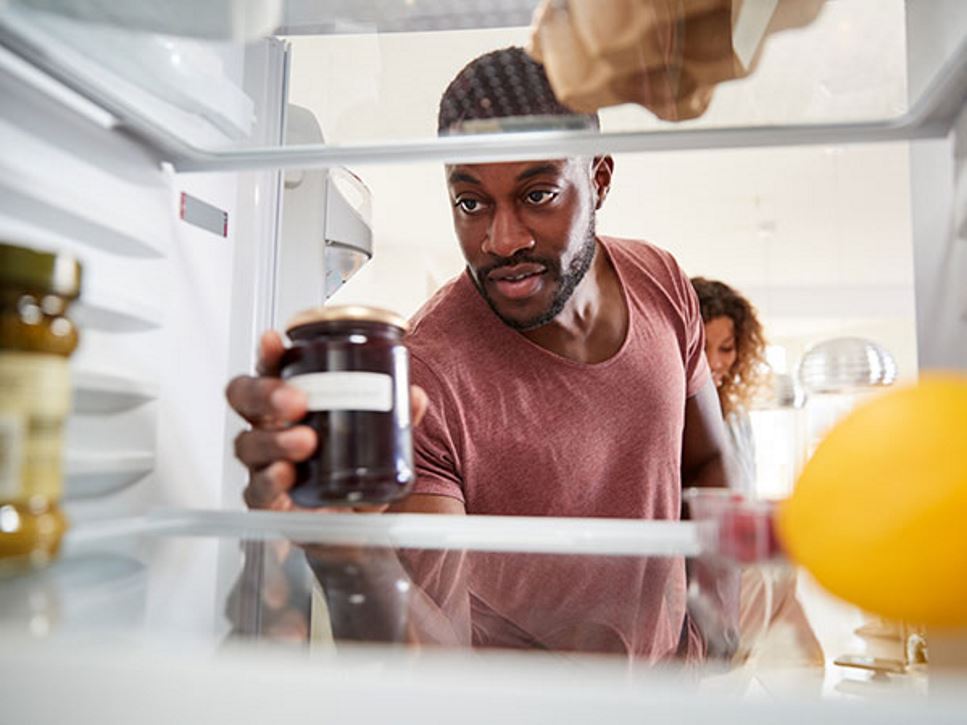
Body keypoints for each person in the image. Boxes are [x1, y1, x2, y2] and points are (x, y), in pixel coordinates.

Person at [226, 47, 736, 661]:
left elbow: (708, 460)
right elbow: (436, 655)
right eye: (470, 203)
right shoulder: (426, 377)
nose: (502, 240)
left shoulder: (660, 278)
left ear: (599, 178)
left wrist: (715, 622)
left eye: (538, 194)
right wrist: (351, 549)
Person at [690, 277, 767, 495]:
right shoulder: (670, 415)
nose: (714, 362)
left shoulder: (737, 415)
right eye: (701, 348)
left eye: (726, 348)